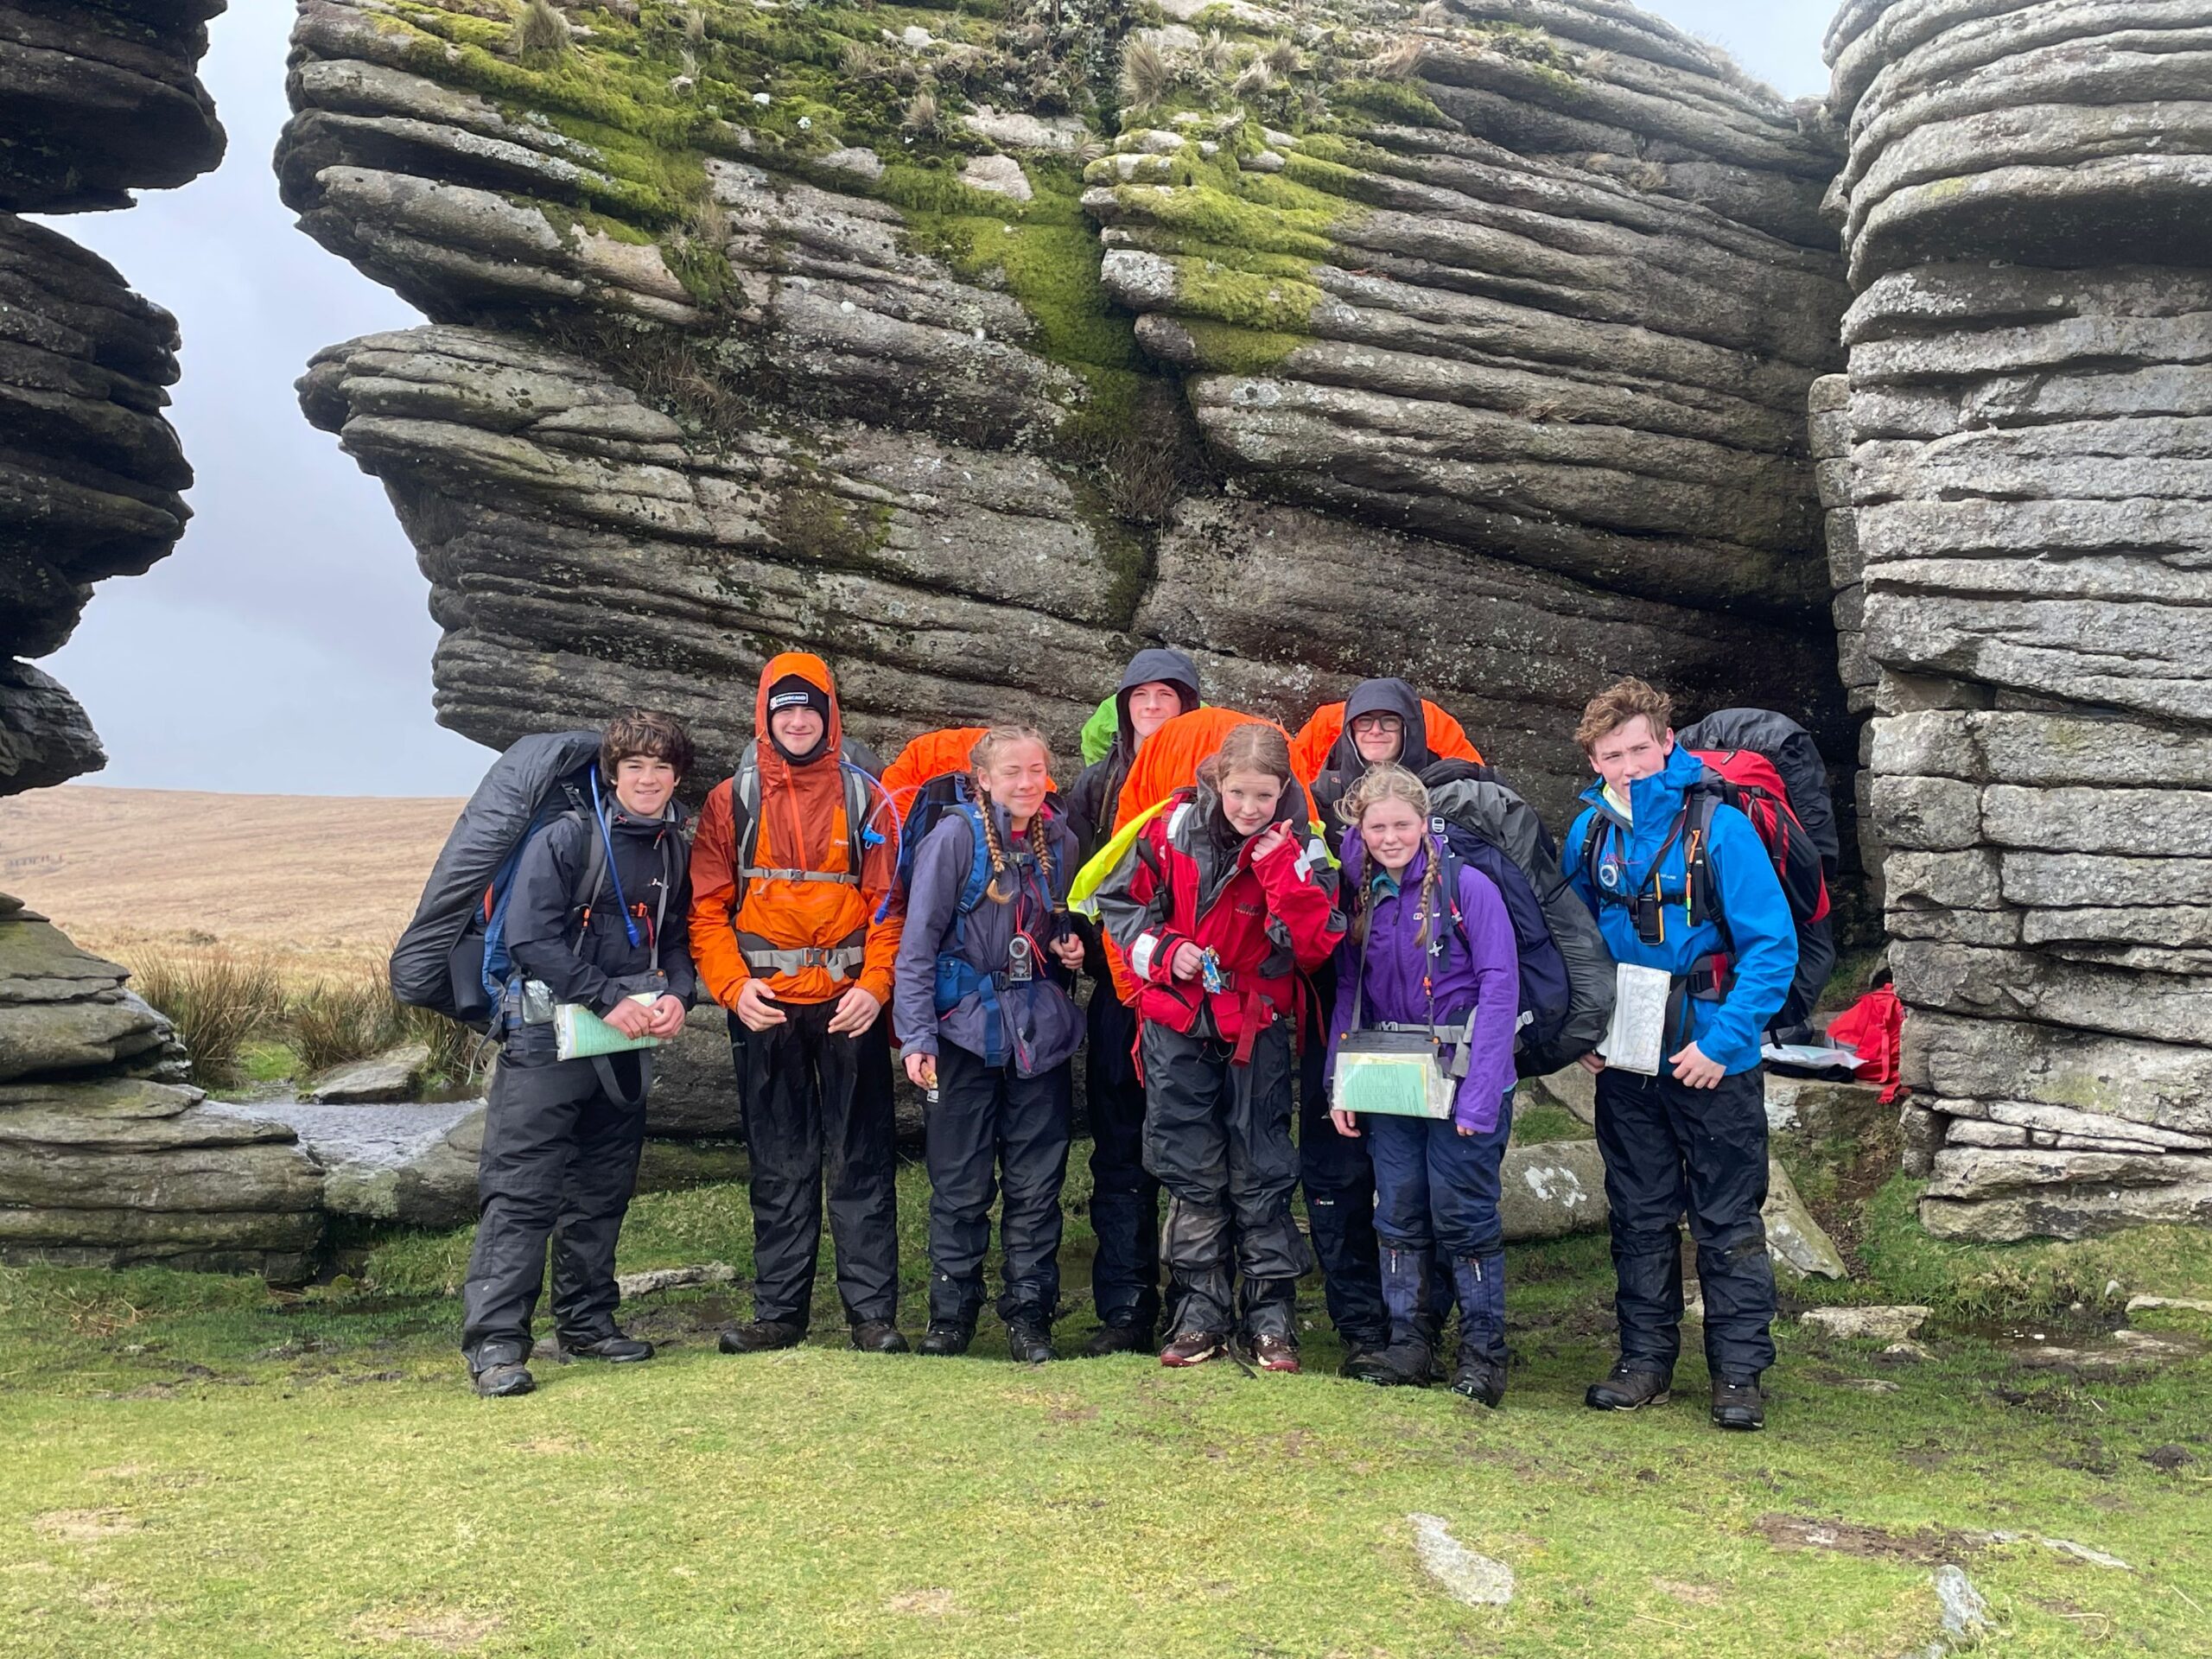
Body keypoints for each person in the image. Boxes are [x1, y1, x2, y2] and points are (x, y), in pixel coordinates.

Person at [1561, 677, 1796, 1432]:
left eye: (1640, 749)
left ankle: (1738, 1373)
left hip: (1712, 1056)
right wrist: (1583, 1032)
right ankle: (1644, 1363)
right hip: (1627, 1059)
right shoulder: (1588, 833)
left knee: (1727, 1219)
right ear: (1594, 762)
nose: (1629, 767)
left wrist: (1724, 1044)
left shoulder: (1722, 828)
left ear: (1668, 742)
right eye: (1612, 756)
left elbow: (1772, 947)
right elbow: (1572, 943)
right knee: (1639, 1216)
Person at [461, 710, 697, 1399]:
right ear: (612, 773)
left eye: (661, 767)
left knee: (600, 1189)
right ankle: (497, 1346)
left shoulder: (672, 848)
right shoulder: (567, 837)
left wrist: (680, 994)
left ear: (676, 776)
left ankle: (588, 1325)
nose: (648, 779)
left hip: (622, 1039)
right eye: (635, 766)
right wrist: (606, 998)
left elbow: (676, 941)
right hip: (545, 1038)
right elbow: (531, 938)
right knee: (522, 1191)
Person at [1096, 721, 1344, 1372]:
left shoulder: (1307, 847)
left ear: (1284, 789)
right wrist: (1165, 952)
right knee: (1190, 1172)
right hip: (1178, 1024)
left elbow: (1315, 946)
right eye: (1238, 792)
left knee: (1262, 1171)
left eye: (1264, 795)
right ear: (1216, 781)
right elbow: (1117, 904)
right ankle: (1198, 1315)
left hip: (1256, 1027)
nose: (1250, 807)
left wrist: (1281, 872)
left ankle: (1271, 1321)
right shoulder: (1169, 827)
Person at [690, 654, 908, 1356]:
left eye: (809, 709)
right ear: (765, 717)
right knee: (780, 1159)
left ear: (829, 715)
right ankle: (780, 1314)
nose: (798, 721)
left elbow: (890, 906)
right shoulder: (730, 801)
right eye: (784, 710)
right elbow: (706, 910)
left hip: (850, 1005)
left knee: (861, 1156)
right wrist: (734, 988)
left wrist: (875, 988)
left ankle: (871, 1315)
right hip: (766, 1009)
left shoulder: (868, 798)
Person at [1298, 677, 1478, 1370]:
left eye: (1389, 723)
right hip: (1342, 1018)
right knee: (1341, 1175)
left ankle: (1426, 1328)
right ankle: (1365, 1327)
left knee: (1424, 1186)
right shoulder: (1312, 804)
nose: (1375, 733)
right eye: (1363, 724)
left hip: (1431, 1033)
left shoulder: (1452, 802)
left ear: (1412, 728)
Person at [1325, 766, 1519, 1404]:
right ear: (1360, 831)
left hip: (1464, 1075)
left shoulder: (1469, 887)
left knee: (1464, 1214)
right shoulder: (1363, 894)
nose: (1390, 838)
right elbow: (1350, 990)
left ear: (1423, 822)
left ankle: (1483, 1354)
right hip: (1390, 1077)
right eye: (1376, 827)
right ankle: (1409, 1343)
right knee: (1399, 1208)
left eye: (1401, 825)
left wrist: (1481, 1095)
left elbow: (1500, 987)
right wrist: (1339, 1081)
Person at [893, 728, 1086, 1362]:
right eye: (1012, 772)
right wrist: (916, 1036)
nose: (1027, 783)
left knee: (1036, 1184)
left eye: (1036, 771)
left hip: (1037, 1034)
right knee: (960, 1183)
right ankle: (951, 1319)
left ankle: (1030, 1319)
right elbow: (917, 944)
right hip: (961, 1035)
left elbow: (1062, 927)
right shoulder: (954, 838)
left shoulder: (1061, 841)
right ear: (982, 778)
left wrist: (1069, 948)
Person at [1063, 648, 1202, 1355]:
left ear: (1188, 707)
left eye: (1165, 696)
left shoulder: (1214, 778)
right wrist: (1082, 949)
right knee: (1120, 1153)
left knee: (1196, 1155)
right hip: (1120, 994)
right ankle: (1125, 1310)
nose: (1151, 706)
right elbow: (1075, 884)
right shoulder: (1097, 785)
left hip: (1196, 997)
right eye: (1138, 696)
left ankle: (1199, 1306)